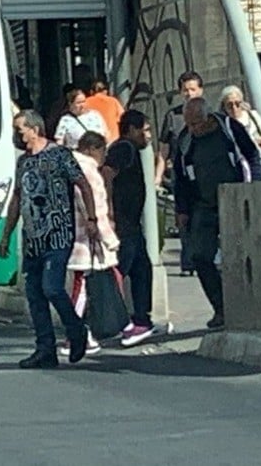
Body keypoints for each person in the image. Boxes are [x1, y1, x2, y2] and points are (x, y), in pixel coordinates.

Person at [0, 110, 99, 369]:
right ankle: (45, 348)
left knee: (52, 287)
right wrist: (6, 234)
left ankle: (76, 329)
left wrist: (92, 219)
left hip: (58, 235)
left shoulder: (59, 155)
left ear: (34, 129)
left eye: (20, 129)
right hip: (33, 239)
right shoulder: (23, 163)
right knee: (35, 295)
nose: (17, 135)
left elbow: (83, 184)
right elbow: (18, 199)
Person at [173, 97, 261, 331]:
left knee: (241, 255)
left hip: (234, 198)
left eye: (197, 123)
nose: (193, 129)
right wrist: (182, 209)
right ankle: (220, 307)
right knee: (200, 256)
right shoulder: (185, 140)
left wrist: (254, 188)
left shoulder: (229, 129)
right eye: (189, 124)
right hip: (203, 204)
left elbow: (252, 156)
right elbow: (180, 178)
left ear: (209, 117)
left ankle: (249, 305)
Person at [60, 131, 120, 358]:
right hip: (88, 239)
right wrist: (110, 239)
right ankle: (74, 336)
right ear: (95, 150)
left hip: (72, 237)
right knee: (84, 289)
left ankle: (85, 334)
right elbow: (96, 207)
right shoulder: (89, 171)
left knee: (80, 287)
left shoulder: (66, 167)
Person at [102, 109, 157, 347]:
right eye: (144, 130)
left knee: (141, 270)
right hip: (123, 224)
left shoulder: (130, 150)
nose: (148, 136)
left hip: (132, 223)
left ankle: (142, 320)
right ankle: (103, 321)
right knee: (119, 271)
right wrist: (110, 213)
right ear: (132, 130)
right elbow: (106, 174)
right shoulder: (123, 148)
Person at [159, 71, 206, 275]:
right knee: (184, 216)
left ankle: (205, 258)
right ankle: (188, 262)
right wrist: (157, 176)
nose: (189, 93)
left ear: (201, 90)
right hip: (181, 176)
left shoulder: (211, 114)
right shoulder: (173, 116)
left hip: (205, 174)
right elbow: (163, 149)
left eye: (193, 89)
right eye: (185, 90)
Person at [82, 78, 125, 143]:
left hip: (93, 141)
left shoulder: (86, 102)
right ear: (106, 91)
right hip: (113, 140)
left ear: (91, 92)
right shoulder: (113, 101)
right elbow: (123, 117)